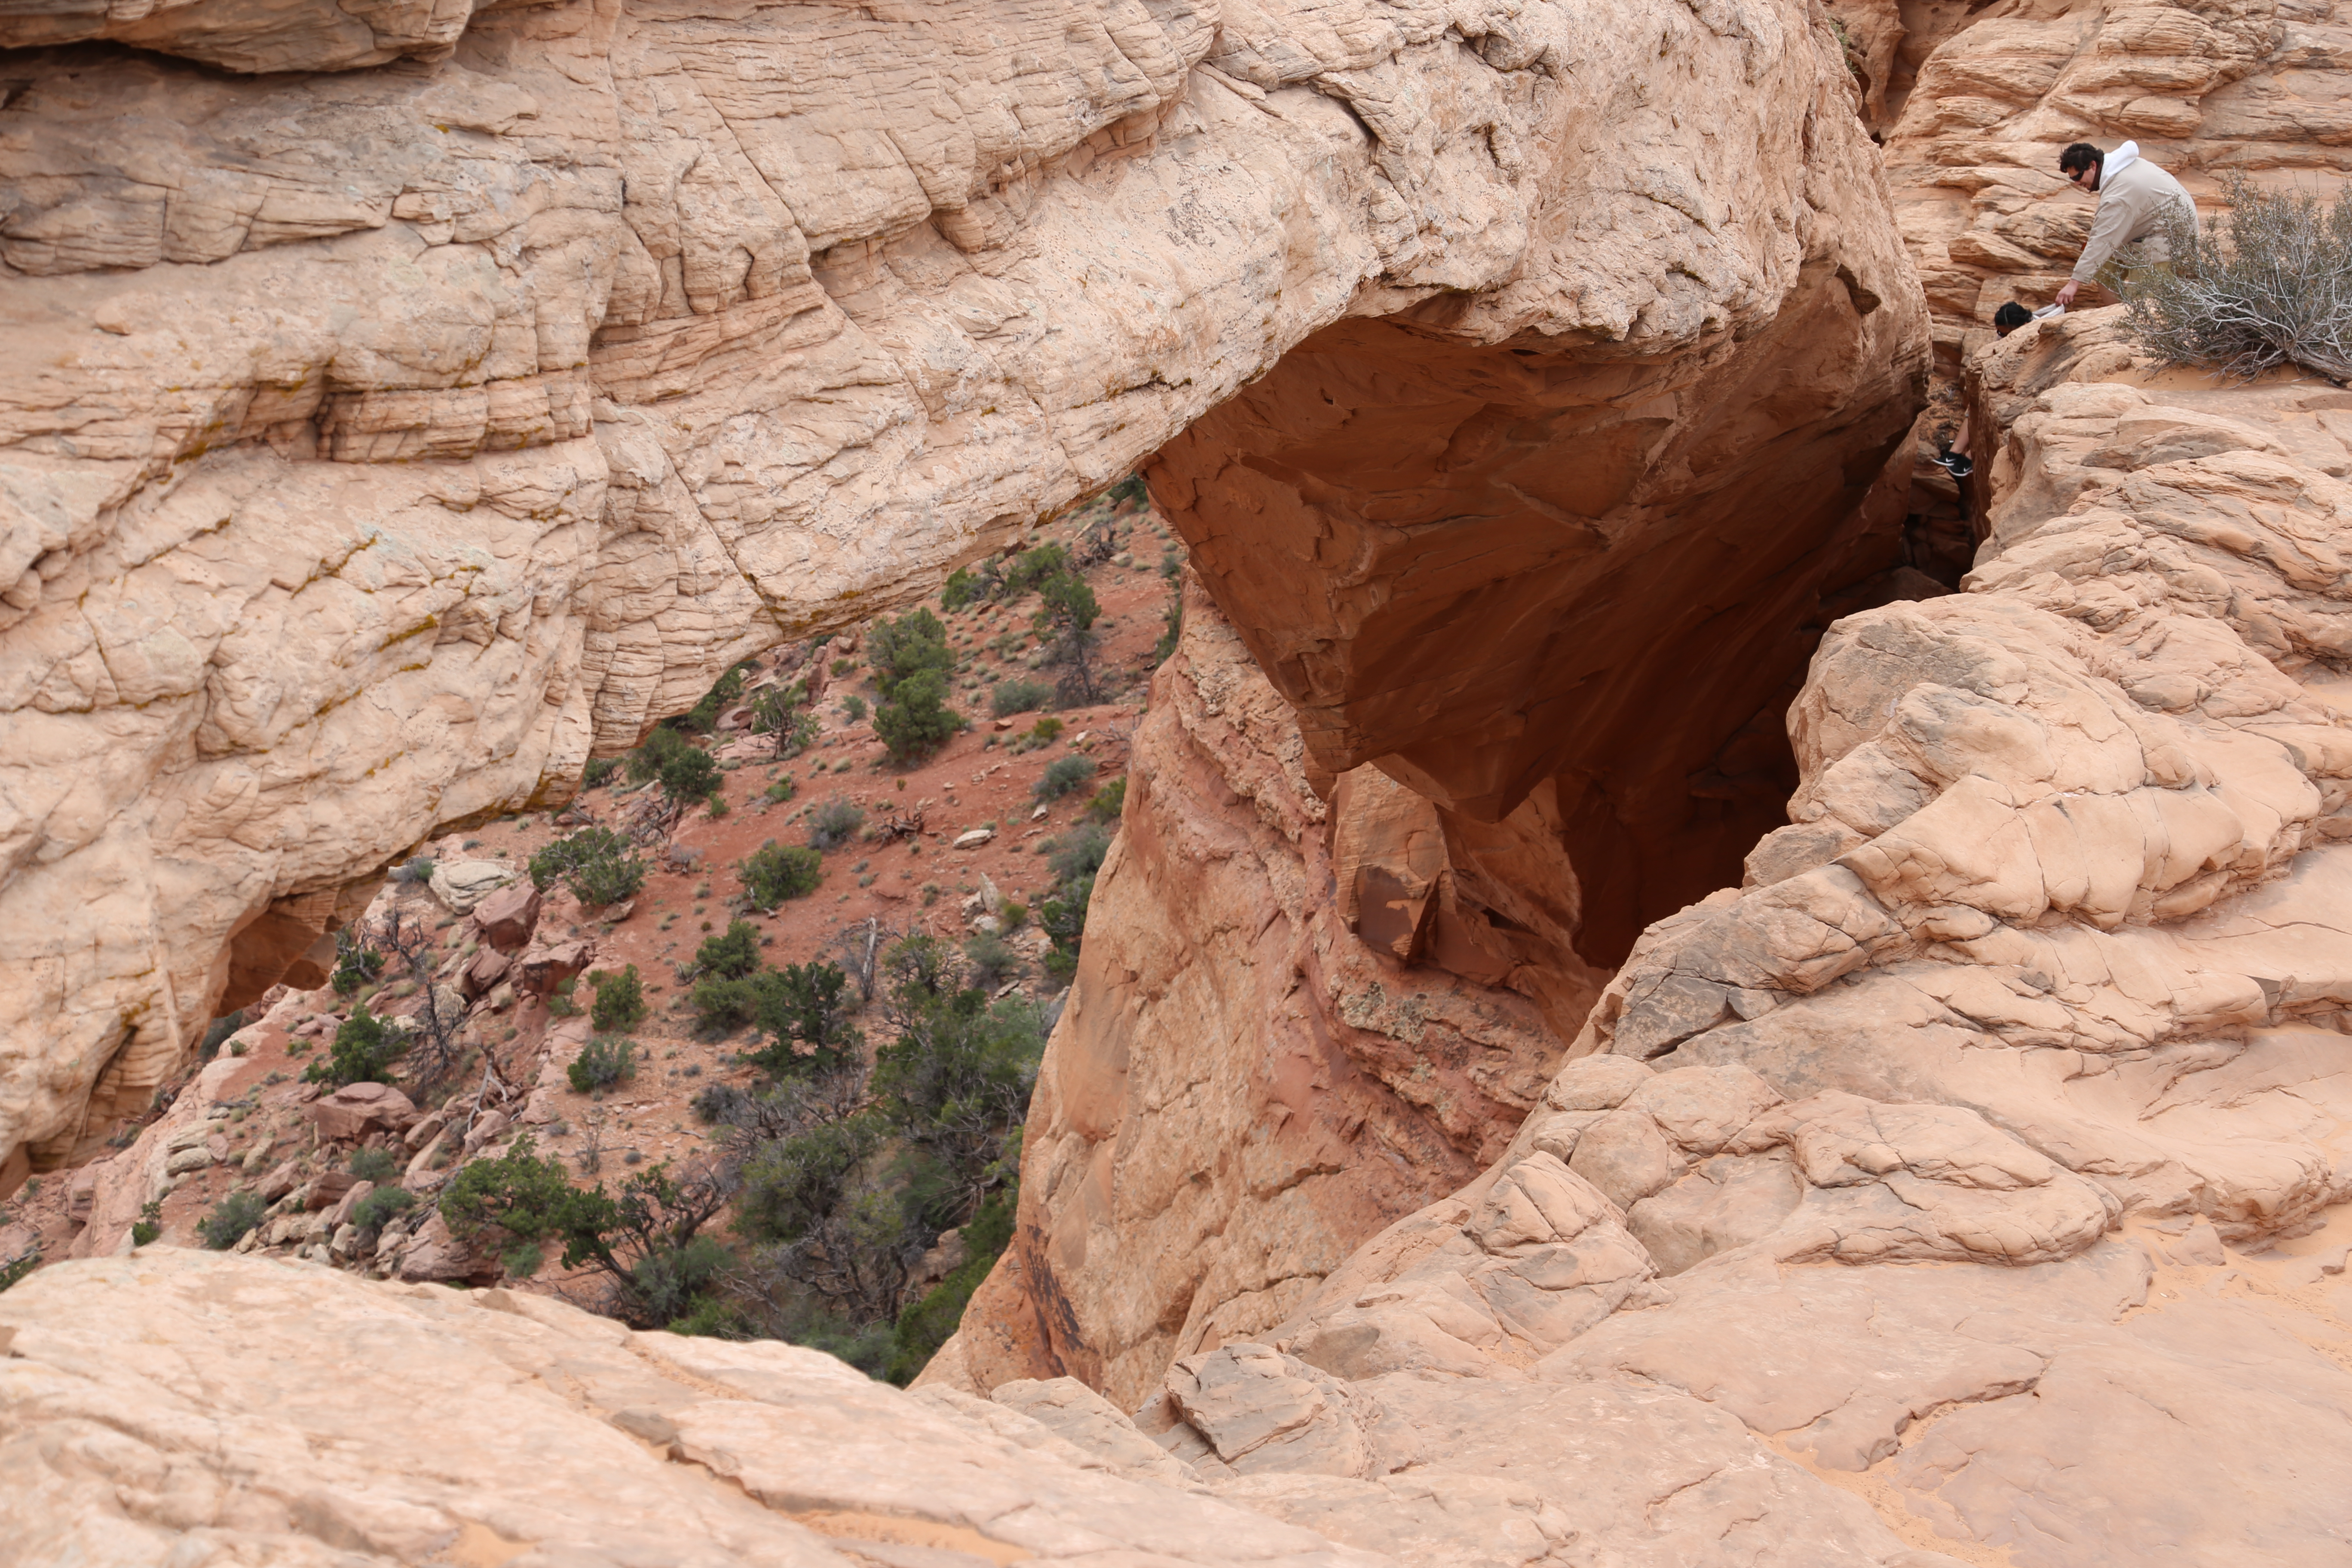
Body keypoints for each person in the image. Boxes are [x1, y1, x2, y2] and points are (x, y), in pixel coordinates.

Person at [2051, 140, 2198, 310]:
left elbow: (2102, 239)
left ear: (2093, 165)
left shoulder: (2119, 193)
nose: (2077, 183)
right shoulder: (2119, 167)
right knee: (2104, 269)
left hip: (2168, 238)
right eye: (2073, 179)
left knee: (2143, 303)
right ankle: (2115, 314)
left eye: (2078, 177)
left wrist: (2074, 284)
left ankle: (2128, 323)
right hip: (2147, 228)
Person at [1931, 302, 2034, 479]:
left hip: (2025, 388)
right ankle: (1955, 453)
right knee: (1976, 406)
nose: (2001, 336)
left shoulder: (2035, 334)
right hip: (2005, 379)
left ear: (2021, 327)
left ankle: (1971, 459)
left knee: (1994, 412)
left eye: (2005, 333)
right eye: (1999, 332)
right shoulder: (2006, 337)